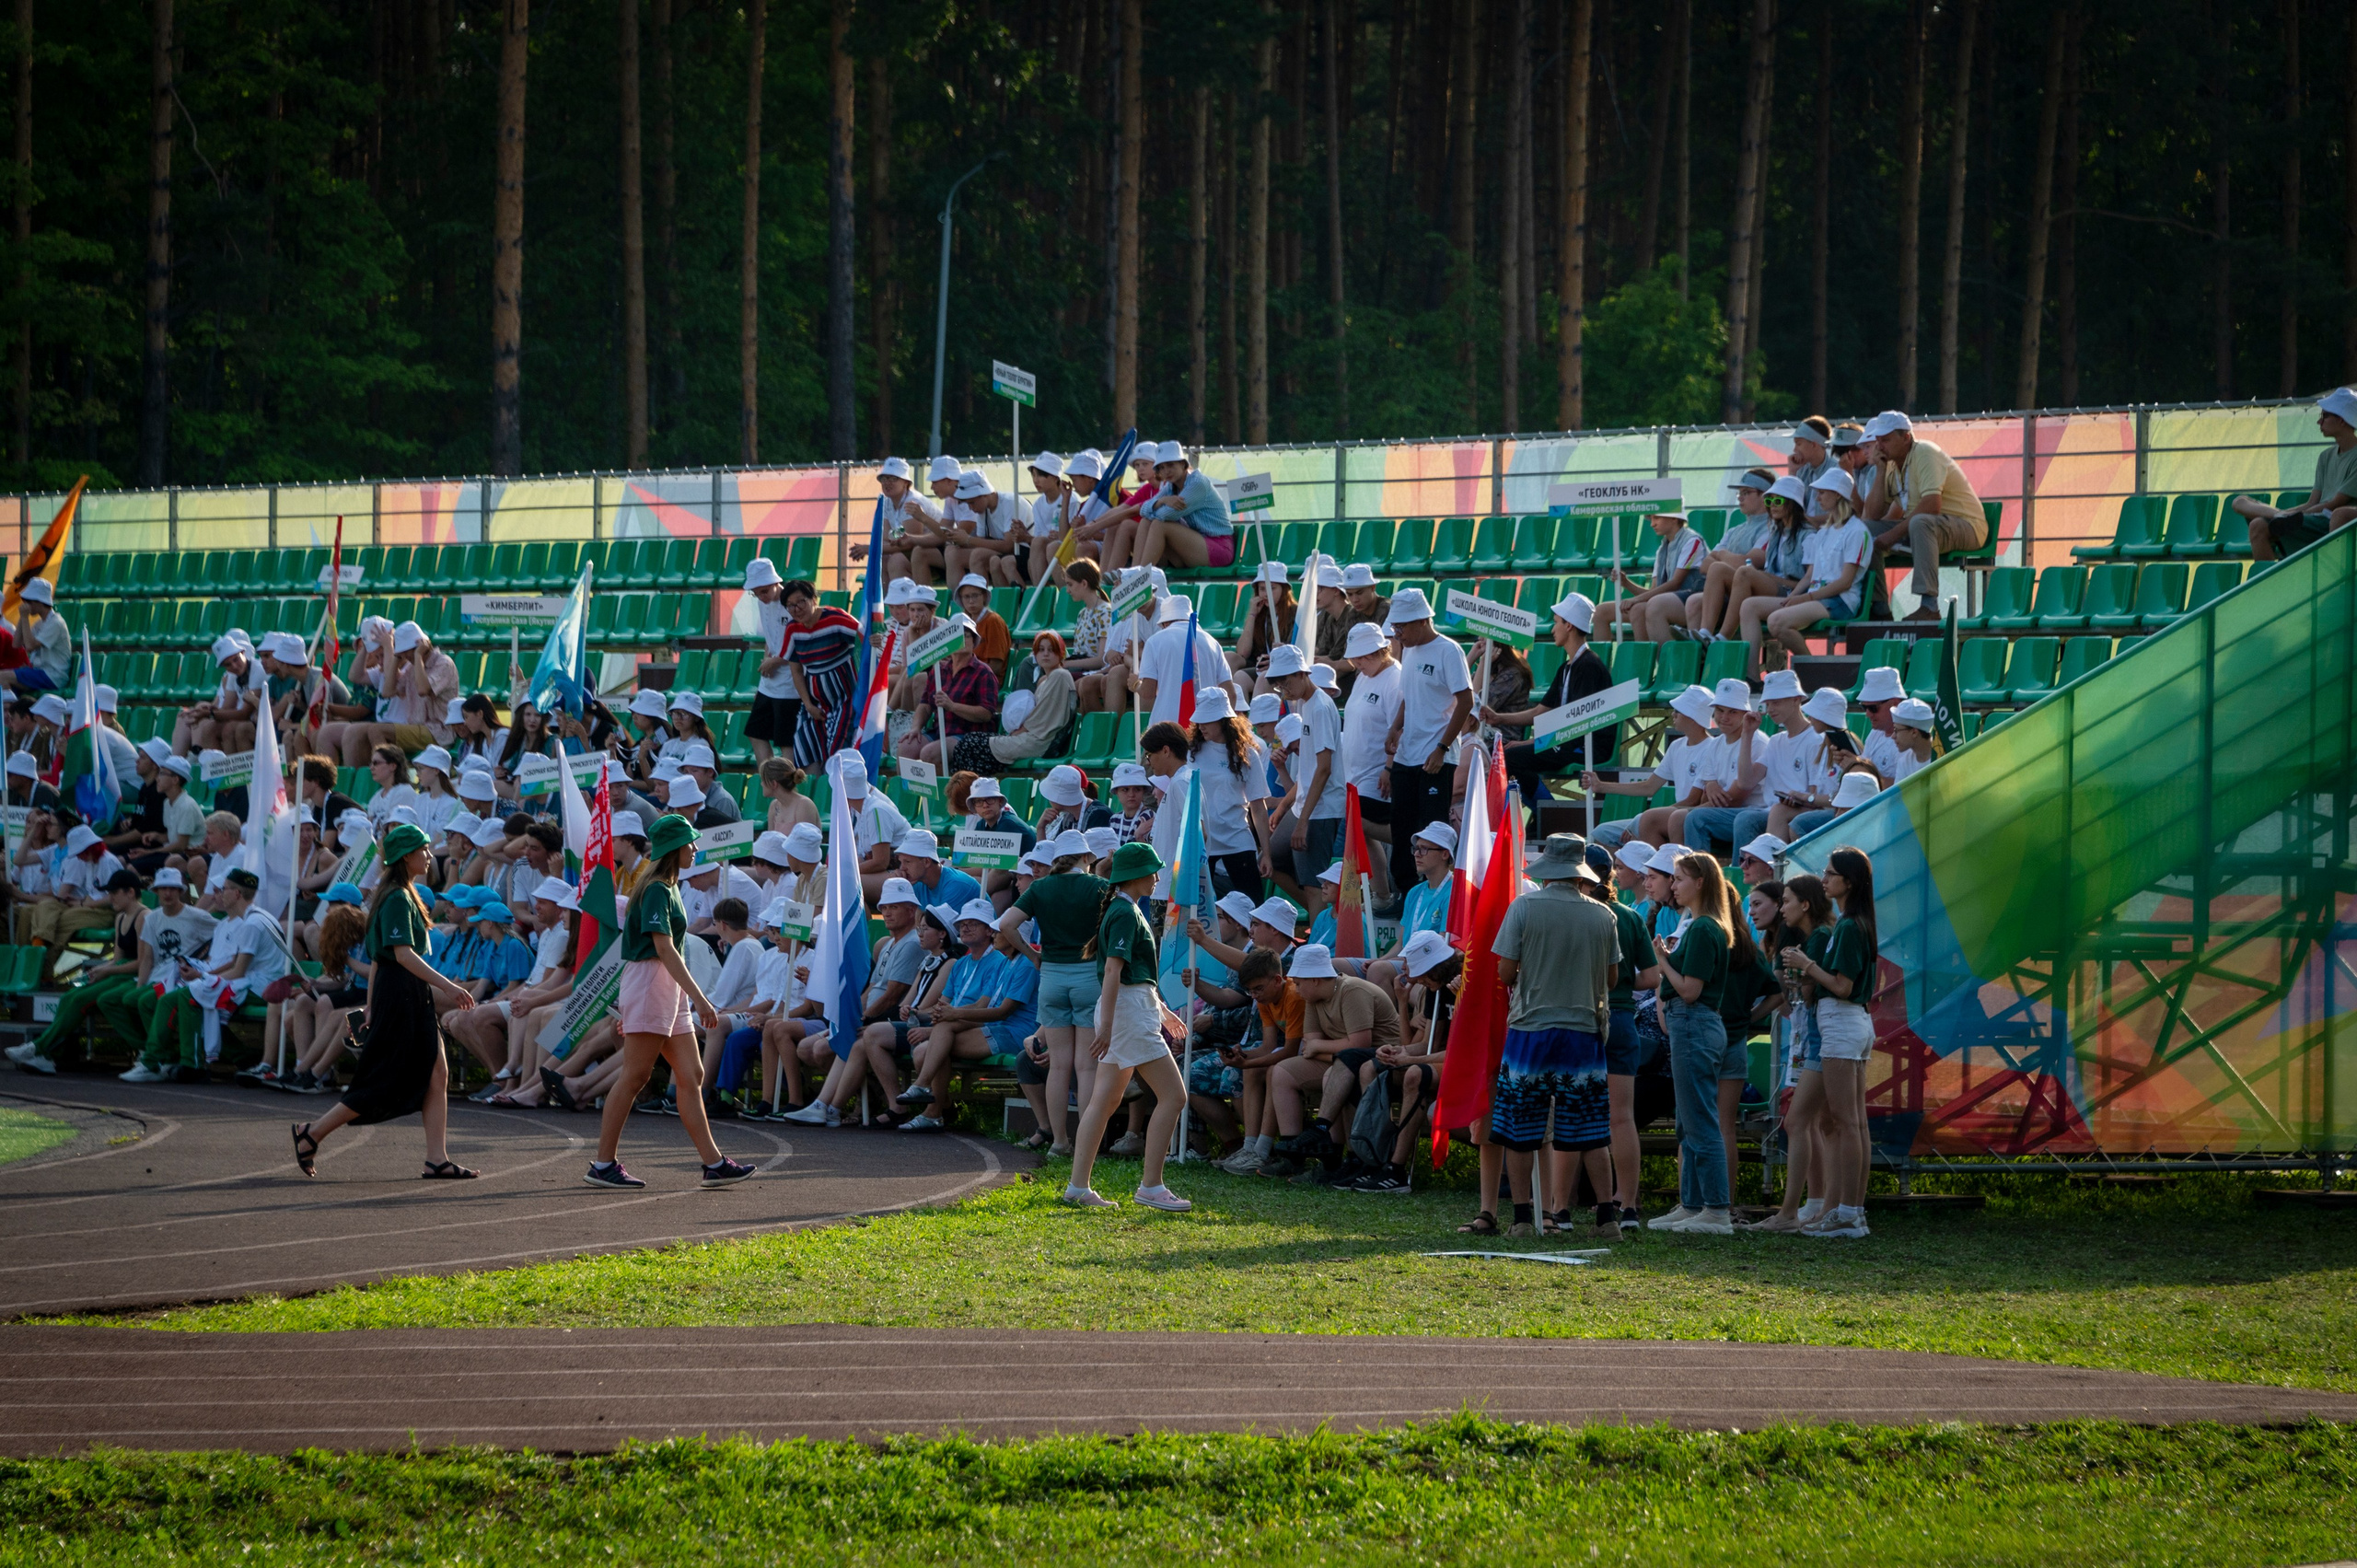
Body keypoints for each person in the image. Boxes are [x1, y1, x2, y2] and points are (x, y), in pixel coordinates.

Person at [290, 824, 482, 1179]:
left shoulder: (398, 893)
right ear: (406, 856)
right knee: (382, 1079)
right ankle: (311, 1132)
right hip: (403, 993)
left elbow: (378, 960)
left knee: (437, 1072)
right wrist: (449, 989)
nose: (428, 855)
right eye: (423, 850)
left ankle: (436, 1158)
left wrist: (372, 1003)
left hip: (403, 993)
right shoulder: (395, 897)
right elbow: (401, 956)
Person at [585, 813, 756, 1189]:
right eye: (690, 843)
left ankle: (713, 1163)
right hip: (651, 984)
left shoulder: (669, 887)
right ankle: (603, 1163)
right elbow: (663, 948)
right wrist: (701, 999)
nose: (695, 849)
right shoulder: (659, 889)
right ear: (675, 847)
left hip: (661, 988)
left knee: (691, 1075)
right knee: (635, 1076)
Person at [1458, 836, 1619, 1237]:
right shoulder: (1603, 916)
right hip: (1584, 1032)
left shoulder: (1524, 907)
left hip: (1531, 1029)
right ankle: (1606, 1219)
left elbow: (1505, 972)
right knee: (1590, 1130)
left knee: (1519, 1128)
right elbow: (1612, 978)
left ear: (1547, 869)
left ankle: (1523, 1219)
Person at [1062, 841, 1192, 1212]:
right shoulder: (1124, 913)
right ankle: (1151, 1186)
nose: (1156, 878)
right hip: (1127, 1012)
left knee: (1104, 1100)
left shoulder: (1125, 909)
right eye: (1152, 871)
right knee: (1174, 1096)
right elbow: (1114, 971)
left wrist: (1160, 1009)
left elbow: (1132, 973)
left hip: (1130, 1008)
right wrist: (1107, 1026)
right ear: (1135, 875)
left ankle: (1078, 1187)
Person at [1778, 846, 1877, 1239]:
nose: (1824, 879)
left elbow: (1842, 986)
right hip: (1851, 1022)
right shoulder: (1854, 924)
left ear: (1848, 882)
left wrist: (1807, 967)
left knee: (1846, 1123)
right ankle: (1848, 1211)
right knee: (1853, 1123)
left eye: (1831, 873)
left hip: (1841, 1020)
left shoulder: (1849, 927)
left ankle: (1848, 1213)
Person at [1647, 851, 1738, 1235]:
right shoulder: (1701, 925)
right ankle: (1693, 1204)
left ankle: (1716, 1210)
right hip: (1694, 1026)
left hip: (1695, 1024)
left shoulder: (1703, 928)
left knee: (1700, 1120)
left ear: (1700, 882)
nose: (1673, 885)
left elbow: (1688, 991)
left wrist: (1662, 960)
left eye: (1680, 878)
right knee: (1688, 1121)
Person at [1748, 873, 1836, 1234]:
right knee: (1819, 1123)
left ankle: (1802, 1211)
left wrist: (1795, 977)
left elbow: (1807, 992)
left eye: (1784, 901)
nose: (1782, 908)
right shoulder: (1812, 935)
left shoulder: (1814, 938)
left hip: (1816, 1036)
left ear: (1805, 903)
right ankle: (1820, 1205)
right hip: (1813, 1035)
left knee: (1803, 1121)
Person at [1491, 592, 1619, 819]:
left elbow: (1576, 723)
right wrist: (1499, 718)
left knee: (1513, 758)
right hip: (1570, 741)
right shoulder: (1567, 667)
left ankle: (1550, 817)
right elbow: (1541, 711)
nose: (1552, 629)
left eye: (1556, 622)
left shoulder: (1589, 666)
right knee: (1511, 755)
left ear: (1568, 625)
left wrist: (1532, 742)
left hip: (1586, 746)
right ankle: (1545, 815)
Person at [1382, 589, 1473, 901]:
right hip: (1408, 754)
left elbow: (1466, 700)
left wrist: (1442, 748)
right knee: (1403, 828)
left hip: (1436, 757)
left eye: (1401, 627)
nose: (1397, 634)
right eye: (1395, 628)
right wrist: (1396, 727)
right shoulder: (1410, 650)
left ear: (1422, 621)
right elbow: (1410, 696)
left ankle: (1439, 897)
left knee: (1431, 832)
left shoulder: (1448, 651)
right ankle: (1409, 898)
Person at [1857, 409, 1987, 620]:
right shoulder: (1890, 464)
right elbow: (1872, 515)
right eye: (1878, 440)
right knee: (1863, 530)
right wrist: (1880, 472)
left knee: (1920, 522)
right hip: (1928, 528)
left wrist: (1893, 534)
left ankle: (1930, 607)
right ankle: (1879, 608)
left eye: (1886, 440)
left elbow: (1931, 505)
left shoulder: (1925, 452)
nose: (1879, 446)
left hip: (1967, 526)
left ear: (1906, 437)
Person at [1759, 470, 1875, 663]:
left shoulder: (1857, 531)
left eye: (1822, 492)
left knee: (1777, 621)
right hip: (1819, 598)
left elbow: (1845, 583)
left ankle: (1813, 668)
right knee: (1751, 608)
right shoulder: (1824, 532)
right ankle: (1754, 675)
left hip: (1841, 601)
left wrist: (1806, 597)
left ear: (1837, 495)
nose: (1817, 497)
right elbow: (1809, 576)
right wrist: (1793, 597)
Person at [2235, 387, 2357, 561]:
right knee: (2246, 512)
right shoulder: (2325, 456)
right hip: (2313, 519)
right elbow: (2313, 502)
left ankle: (2280, 518)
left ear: (2342, 420)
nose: (2319, 422)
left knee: (2263, 521)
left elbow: (2334, 504)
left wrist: (2296, 516)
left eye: (2325, 416)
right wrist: (2287, 514)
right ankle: (2273, 585)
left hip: (2327, 521)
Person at [1184, 687, 1273, 900]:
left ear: (1223, 720)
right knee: (1198, 908)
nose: (1201, 725)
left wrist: (1266, 854)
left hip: (1237, 838)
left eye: (1207, 720)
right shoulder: (1191, 752)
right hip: (1202, 841)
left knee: (1253, 905)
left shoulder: (1248, 752)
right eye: (1200, 720)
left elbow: (1258, 807)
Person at [1596, 511, 1709, 641]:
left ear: (1674, 518)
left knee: (1638, 609)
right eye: (1651, 519)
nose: (1652, 524)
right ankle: (1604, 661)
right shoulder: (1661, 549)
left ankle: (1658, 659)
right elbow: (1653, 592)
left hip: (1691, 602)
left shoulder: (1692, 541)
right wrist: (1626, 583)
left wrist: (1636, 599)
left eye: (1656, 518)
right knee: (1601, 612)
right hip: (1665, 603)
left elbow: (1675, 583)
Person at [1130, 441, 1236, 573]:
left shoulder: (1198, 483)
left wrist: (1156, 506)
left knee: (1158, 524)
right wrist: (1162, 501)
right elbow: (1143, 512)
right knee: (1146, 522)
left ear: (1183, 464)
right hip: (1195, 547)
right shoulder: (1170, 486)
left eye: (1170, 465)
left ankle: (1139, 578)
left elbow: (1166, 515)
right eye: (1161, 468)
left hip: (1219, 549)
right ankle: (1133, 573)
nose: (1166, 471)